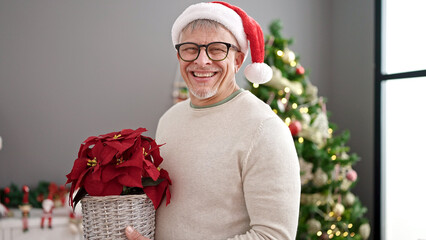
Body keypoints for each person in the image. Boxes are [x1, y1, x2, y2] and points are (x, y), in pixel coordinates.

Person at [126, 2, 300, 240]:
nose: (202, 60)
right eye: (190, 49)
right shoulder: (169, 120)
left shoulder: (265, 129)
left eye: (217, 49)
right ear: (179, 55)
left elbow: (274, 236)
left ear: (238, 59)